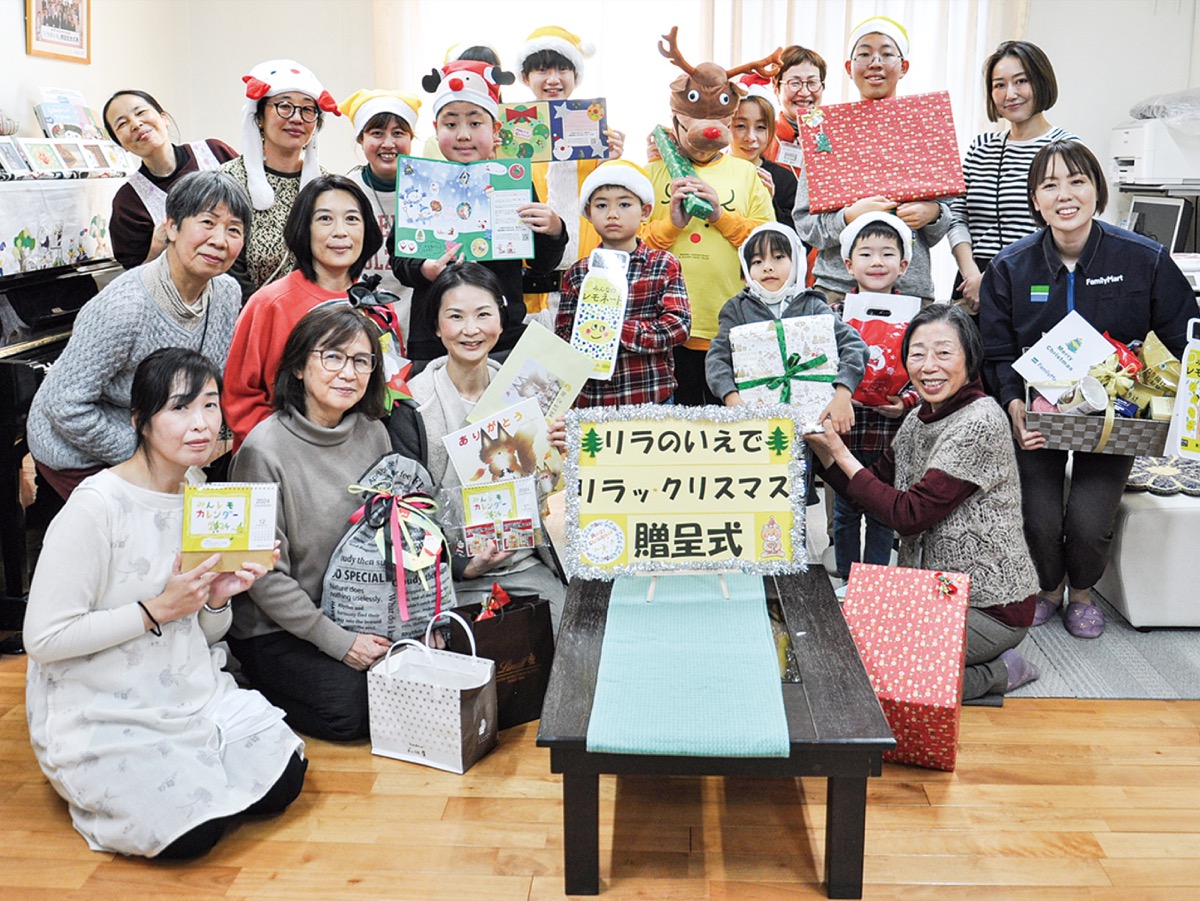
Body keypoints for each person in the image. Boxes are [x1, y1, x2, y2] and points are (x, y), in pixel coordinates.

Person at [24, 347, 305, 859]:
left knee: (286, 779)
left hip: (186, 688)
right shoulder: (96, 506)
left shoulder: (199, 491)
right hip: (103, 703)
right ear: (141, 421)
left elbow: (199, 633)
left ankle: (189, 774)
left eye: (210, 405)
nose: (201, 424)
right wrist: (157, 609)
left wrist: (215, 600)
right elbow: (43, 639)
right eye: (180, 407)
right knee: (190, 836)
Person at [980, 139, 1196, 639]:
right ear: (1035, 200)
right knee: (1038, 516)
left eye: (1077, 181)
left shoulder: (1144, 259)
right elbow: (995, 349)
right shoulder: (1010, 267)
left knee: (1089, 521)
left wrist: (1167, 403)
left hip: (1115, 418)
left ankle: (1081, 592)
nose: (1065, 195)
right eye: (1049, 185)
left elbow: (1184, 338)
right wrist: (1012, 403)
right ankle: (1048, 588)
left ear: (1097, 190)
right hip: (1037, 414)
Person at [806, 304, 1041, 701]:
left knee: (878, 677)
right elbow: (871, 489)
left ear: (970, 357)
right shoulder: (918, 419)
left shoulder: (981, 421)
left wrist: (840, 452)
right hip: (934, 592)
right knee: (844, 649)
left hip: (991, 607)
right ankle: (964, 662)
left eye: (944, 353)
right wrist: (822, 449)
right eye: (917, 354)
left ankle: (1000, 671)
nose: (929, 366)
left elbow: (908, 515)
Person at [27, 170, 250, 499]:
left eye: (234, 229)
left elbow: (208, 382)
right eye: (207, 222)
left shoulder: (227, 293)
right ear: (171, 227)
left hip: (160, 440)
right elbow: (64, 406)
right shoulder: (124, 307)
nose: (220, 240)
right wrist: (153, 453)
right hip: (79, 448)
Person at [227, 306, 392, 740]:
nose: (348, 373)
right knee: (352, 710)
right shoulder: (262, 451)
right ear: (299, 366)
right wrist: (340, 643)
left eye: (361, 360)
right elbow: (263, 578)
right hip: (276, 627)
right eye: (332, 356)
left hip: (357, 609)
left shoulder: (374, 433)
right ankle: (248, 682)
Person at [409, 263, 567, 632]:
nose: (471, 329)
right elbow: (408, 512)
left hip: (525, 564)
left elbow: (550, 493)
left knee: (568, 635)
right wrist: (463, 565)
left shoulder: (527, 392)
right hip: (445, 575)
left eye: (483, 314)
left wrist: (560, 457)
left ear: (501, 317)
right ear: (436, 326)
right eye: (455, 316)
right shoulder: (413, 404)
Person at [388, 59, 568, 370]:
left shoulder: (512, 181)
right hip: (434, 337)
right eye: (451, 124)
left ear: (495, 129)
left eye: (475, 123)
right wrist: (424, 269)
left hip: (501, 335)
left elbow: (541, 264)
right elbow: (400, 258)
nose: (463, 135)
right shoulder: (420, 183)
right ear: (435, 129)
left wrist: (553, 230)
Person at [793, 16, 951, 306]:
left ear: (903, 66)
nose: (875, 63)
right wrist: (847, 217)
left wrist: (933, 214)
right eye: (864, 54)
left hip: (910, 291)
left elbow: (948, 217)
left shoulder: (924, 127)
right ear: (849, 67)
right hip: (837, 290)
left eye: (887, 54)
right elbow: (805, 224)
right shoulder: (824, 131)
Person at [223, 174, 383, 449]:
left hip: (356, 454)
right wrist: (291, 449)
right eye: (325, 219)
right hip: (278, 454)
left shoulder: (378, 304)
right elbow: (239, 396)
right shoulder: (269, 304)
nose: (340, 232)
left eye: (352, 219)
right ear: (304, 228)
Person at [644, 82, 775, 405]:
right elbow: (633, 246)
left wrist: (720, 215)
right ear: (676, 121)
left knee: (732, 421)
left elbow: (767, 246)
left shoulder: (746, 174)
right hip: (665, 327)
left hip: (732, 324)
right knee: (676, 424)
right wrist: (671, 225)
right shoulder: (650, 173)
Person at [949, 41, 1076, 313]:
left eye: (1021, 81)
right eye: (999, 85)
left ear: (1041, 82)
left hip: (1035, 276)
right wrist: (972, 275)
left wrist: (993, 280)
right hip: (972, 283)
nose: (1011, 94)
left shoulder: (1065, 147)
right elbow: (957, 216)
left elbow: (1066, 226)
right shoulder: (981, 147)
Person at [829, 212, 921, 580]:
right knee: (845, 510)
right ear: (849, 264)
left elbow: (925, 371)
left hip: (891, 436)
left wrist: (906, 402)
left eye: (887, 254)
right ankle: (847, 578)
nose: (877, 262)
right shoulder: (834, 314)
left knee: (885, 512)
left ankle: (876, 582)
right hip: (846, 432)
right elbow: (820, 365)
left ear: (903, 265)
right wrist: (838, 393)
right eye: (866, 254)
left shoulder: (915, 320)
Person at [513, 25, 626, 326]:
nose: (553, 79)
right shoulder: (511, 134)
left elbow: (612, 207)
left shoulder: (597, 131)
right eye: (542, 70)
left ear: (575, 76)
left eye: (562, 69)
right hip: (527, 286)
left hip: (589, 283)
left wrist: (611, 164)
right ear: (525, 76)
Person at [705, 221, 866, 429]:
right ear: (745, 274)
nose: (768, 267)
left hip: (814, 419)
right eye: (757, 261)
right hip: (755, 422)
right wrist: (731, 398)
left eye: (778, 257)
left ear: (798, 263)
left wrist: (843, 393)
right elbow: (717, 359)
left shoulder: (813, 305)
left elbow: (854, 345)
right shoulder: (736, 310)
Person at [555, 160, 690, 406]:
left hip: (651, 399)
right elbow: (563, 335)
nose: (612, 214)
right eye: (601, 205)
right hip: (593, 401)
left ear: (645, 211)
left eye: (624, 204)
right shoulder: (579, 273)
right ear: (588, 213)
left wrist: (615, 330)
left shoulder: (663, 264)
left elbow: (678, 326)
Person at [221, 58, 340, 300]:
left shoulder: (327, 185)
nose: (296, 118)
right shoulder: (229, 180)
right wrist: (268, 311)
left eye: (308, 110)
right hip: (246, 310)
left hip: (315, 313)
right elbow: (225, 261)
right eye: (284, 106)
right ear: (259, 117)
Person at [103, 89, 238, 269]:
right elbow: (134, 277)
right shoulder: (129, 203)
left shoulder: (214, 152)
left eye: (140, 112)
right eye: (122, 123)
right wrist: (156, 248)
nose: (135, 124)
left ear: (164, 118)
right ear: (121, 144)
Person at [339, 88, 420, 342]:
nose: (388, 143)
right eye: (377, 133)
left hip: (421, 326)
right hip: (359, 325)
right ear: (361, 139)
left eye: (398, 133)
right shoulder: (344, 192)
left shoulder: (430, 189)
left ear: (411, 138)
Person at [730, 84, 798, 229]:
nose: (750, 137)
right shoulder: (710, 169)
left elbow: (799, 236)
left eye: (760, 127)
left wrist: (770, 203)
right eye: (740, 126)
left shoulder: (785, 181)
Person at [764, 44, 826, 181]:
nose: (804, 92)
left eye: (812, 82)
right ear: (776, 88)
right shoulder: (762, 137)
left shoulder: (836, 135)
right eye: (795, 83)